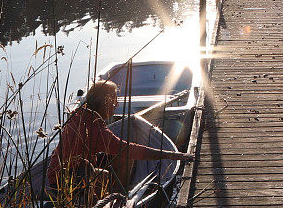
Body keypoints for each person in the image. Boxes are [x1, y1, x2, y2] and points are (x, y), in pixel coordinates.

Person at [47, 80, 193, 194]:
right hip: (63, 181)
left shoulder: (79, 115)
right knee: (110, 168)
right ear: (105, 102)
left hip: (58, 173)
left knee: (123, 155)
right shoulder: (95, 129)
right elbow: (131, 149)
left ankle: (116, 193)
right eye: (114, 100)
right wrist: (171, 155)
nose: (116, 104)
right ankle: (114, 202)